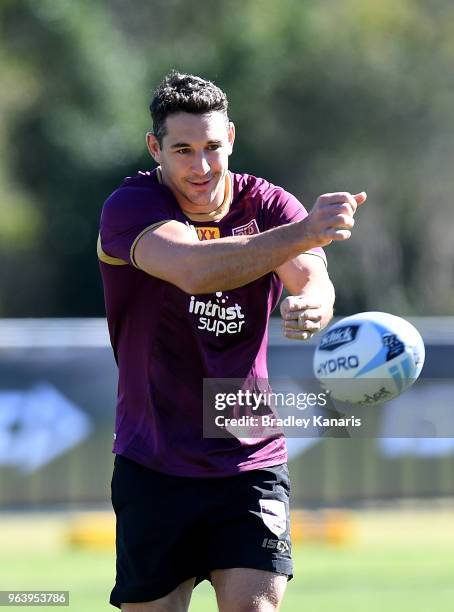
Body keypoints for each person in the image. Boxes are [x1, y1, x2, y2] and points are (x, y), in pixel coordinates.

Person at [98, 70, 366, 611]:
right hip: (154, 459)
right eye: (183, 150)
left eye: (213, 147)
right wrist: (307, 231)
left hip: (249, 458)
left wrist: (314, 303)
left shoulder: (269, 205)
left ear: (232, 139)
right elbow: (194, 269)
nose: (201, 166)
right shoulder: (132, 208)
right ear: (155, 147)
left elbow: (312, 277)